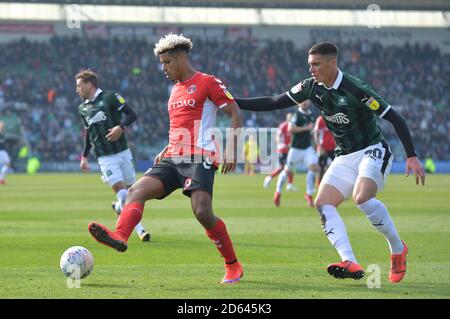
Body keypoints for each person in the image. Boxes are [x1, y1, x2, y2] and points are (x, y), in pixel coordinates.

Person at [235, 41, 425, 283]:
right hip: (344, 156)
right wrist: (232, 100)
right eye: (309, 65)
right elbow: (273, 102)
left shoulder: (357, 89)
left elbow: (395, 118)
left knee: (362, 198)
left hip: (372, 149)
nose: (311, 69)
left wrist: (411, 155)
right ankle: (349, 261)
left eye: (316, 64)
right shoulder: (310, 87)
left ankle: (398, 250)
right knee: (323, 203)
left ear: (332, 63)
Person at [87, 34, 244, 284]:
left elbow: (234, 112)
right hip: (173, 156)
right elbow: (180, 125)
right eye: (162, 63)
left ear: (181, 58)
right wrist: (167, 147)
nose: (164, 69)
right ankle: (120, 235)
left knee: (202, 212)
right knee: (136, 190)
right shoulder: (174, 91)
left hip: (199, 156)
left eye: (167, 62)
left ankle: (232, 265)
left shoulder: (207, 82)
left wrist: (234, 149)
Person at [75, 69, 151, 242]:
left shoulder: (110, 97)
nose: (77, 90)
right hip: (105, 157)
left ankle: (118, 208)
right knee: (124, 194)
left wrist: (120, 127)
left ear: (89, 84)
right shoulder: (83, 108)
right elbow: (89, 133)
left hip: (123, 151)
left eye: (79, 86)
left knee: (132, 193)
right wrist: (84, 156)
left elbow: (132, 114)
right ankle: (139, 229)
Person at [272, 100, 319, 207]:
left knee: (314, 167)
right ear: (298, 104)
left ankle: (309, 194)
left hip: (307, 148)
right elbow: (291, 128)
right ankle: (278, 192)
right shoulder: (296, 115)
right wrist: (305, 128)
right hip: (295, 148)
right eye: (302, 102)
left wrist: (312, 137)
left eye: (307, 101)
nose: (305, 103)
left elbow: (310, 132)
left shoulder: (311, 115)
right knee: (287, 171)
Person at [263, 113, 295, 189]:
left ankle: (289, 184)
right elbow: (277, 136)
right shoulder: (283, 126)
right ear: (287, 118)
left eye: (292, 118)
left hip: (290, 149)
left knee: (291, 166)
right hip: (282, 149)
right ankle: (269, 178)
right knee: (282, 167)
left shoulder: (293, 126)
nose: (291, 119)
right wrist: (281, 144)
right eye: (290, 118)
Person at [313, 115, 336, 186]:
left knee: (336, 166)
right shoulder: (320, 119)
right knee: (321, 167)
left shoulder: (334, 118)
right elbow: (316, 133)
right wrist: (319, 147)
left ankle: (333, 183)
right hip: (323, 148)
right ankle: (319, 184)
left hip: (333, 147)